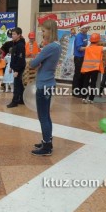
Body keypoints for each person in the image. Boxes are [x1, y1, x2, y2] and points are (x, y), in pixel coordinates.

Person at [29, 20, 62, 156]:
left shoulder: (50, 47)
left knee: (43, 116)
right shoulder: (57, 45)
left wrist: (38, 55)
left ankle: (47, 147)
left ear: (50, 31)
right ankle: (47, 140)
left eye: (43, 31)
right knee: (46, 116)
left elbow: (33, 63)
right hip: (48, 82)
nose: (42, 33)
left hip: (44, 84)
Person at [81, 33, 105, 104]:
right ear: (98, 41)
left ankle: (83, 98)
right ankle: (91, 99)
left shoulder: (88, 48)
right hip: (95, 69)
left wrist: (88, 43)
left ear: (91, 40)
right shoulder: (100, 48)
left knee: (85, 82)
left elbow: (87, 46)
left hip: (87, 68)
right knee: (93, 84)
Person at [7, 27, 26, 108]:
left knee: (17, 85)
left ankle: (14, 102)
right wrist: (11, 67)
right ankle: (21, 99)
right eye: (12, 34)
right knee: (20, 85)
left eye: (14, 34)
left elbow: (20, 59)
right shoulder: (15, 43)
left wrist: (17, 70)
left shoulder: (21, 45)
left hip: (19, 68)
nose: (12, 35)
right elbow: (13, 57)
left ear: (19, 35)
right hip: (15, 68)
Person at [72, 23, 89, 97]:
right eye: (85, 28)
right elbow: (80, 48)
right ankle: (75, 92)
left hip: (84, 57)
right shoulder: (79, 36)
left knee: (83, 75)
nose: (86, 29)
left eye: (87, 28)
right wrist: (89, 47)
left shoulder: (85, 35)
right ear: (81, 28)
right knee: (78, 74)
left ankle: (81, 90)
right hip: (78, 57)